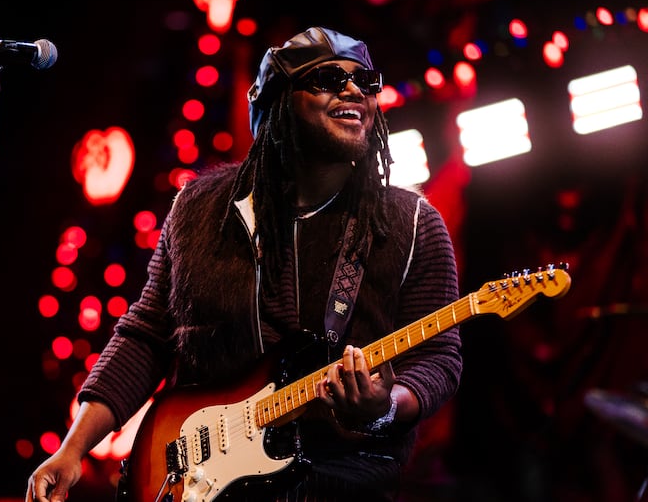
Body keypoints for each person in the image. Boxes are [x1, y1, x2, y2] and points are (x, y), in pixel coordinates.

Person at [26, 26, 462, 502]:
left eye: (366, 80)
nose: (354, 90)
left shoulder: (412, 223)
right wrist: (73, 450)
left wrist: (384, 406)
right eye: (329, 78)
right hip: (204, 482)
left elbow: (438, 357)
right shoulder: (198, 208)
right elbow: (146, 335)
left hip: (344, 483)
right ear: (277, 103)